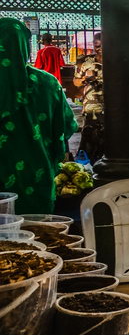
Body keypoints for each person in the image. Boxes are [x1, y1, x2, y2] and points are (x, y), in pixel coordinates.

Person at [0, 18, 77, 214]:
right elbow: (67, 126)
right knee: (39, 236)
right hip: (36, 174)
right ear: (24, 45)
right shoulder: (47, 83)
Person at [74, 32, 104, 162]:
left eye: (103, 45)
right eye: (97, 46)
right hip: (91, 107)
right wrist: (85, 79)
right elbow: (76, 82)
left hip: (113, 107)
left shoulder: (116, 61)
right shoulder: (84, 61)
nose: (100, 49)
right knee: (89, 139)